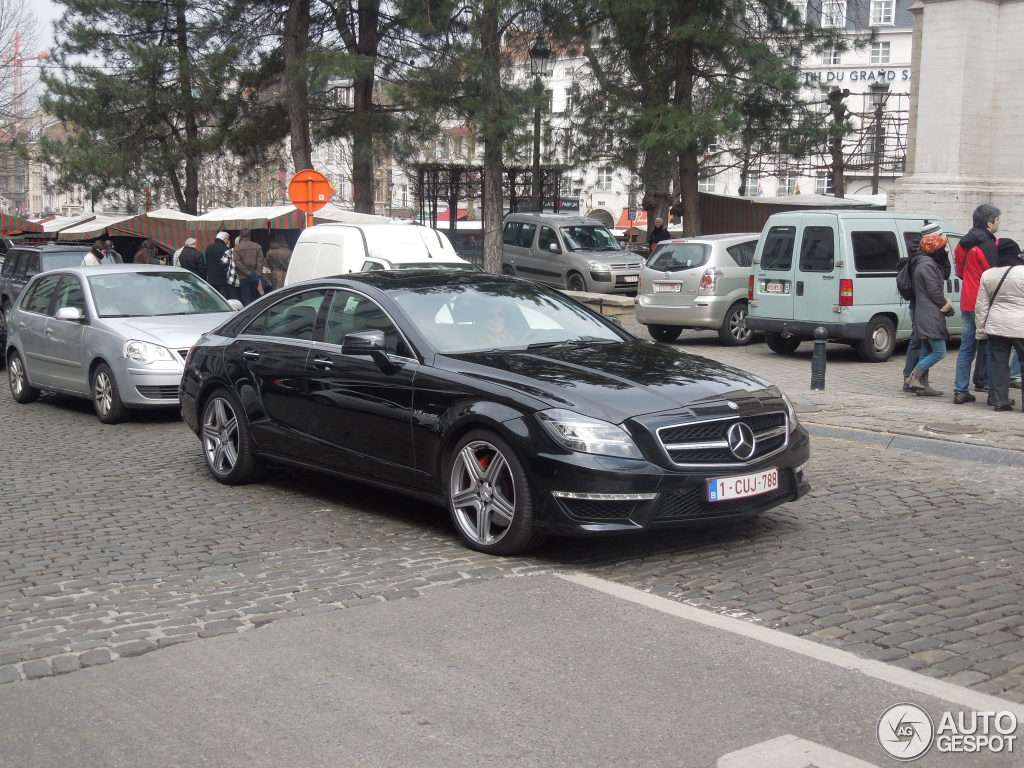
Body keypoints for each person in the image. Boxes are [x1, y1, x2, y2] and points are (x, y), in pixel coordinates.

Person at [952, 203, 1001, 405]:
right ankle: (992, 392)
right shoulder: (989, 246)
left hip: (966, 301)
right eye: (998, 220)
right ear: (990, 223)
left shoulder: (962, 244)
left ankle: (960, 389)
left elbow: (960, 272)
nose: (999, 223)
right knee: (990, 348)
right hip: (983, 302)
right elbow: (995, 275)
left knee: (966, 348)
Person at [904, 223, 955, 396]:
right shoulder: (926, 265)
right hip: (929, 313)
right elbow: (933, 290)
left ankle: (923, 387)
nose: (945, 248)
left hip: (925, 311)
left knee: (926, 350)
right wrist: (946, 305)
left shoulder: (926, 262)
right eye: (942, 245)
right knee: (939, 351)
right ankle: (913, 377)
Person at [975, 238, 1024, 411]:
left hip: (996, 326)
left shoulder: (988, 274)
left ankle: (999, 401)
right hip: (1020, 326)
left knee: (999, 364)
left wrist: (981, 331)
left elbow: (981, 306)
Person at [233, 228, 267, 306]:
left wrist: (248, 273)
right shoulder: (257, 246)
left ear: (240, 236)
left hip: (243, 277)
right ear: (250, 235)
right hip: (255, 276)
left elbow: (238, 263)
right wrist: (257, 274)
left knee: (246, 299)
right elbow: (260, 261)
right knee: (255, 299)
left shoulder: (237, 248)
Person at [205, 231, 231, 297]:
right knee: (222, 297)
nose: (228, 241)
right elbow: (226, 264)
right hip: (222, 278)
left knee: (213, 296)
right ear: (225, 239)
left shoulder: (208, 247)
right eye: (228, 239)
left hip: (210, 278)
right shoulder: (225, 249)